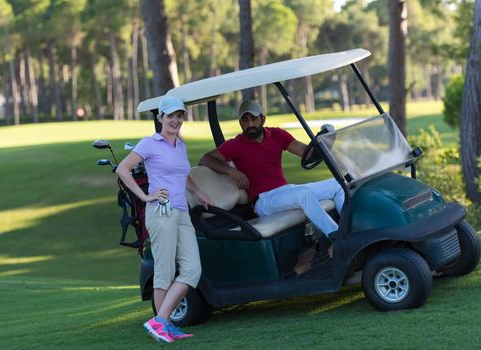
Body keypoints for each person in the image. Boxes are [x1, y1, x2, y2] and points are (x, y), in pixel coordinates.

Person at [116, 96, 213, 343]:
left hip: (181, 212)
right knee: (165, 271)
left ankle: (159, 321)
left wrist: (199, 192)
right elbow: (123, 170)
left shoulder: (179, 146)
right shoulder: (150, 144)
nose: (175, 120)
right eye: (170, 116)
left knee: (192, 269)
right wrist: (145, 196)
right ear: (160, 118)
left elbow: (184, 174)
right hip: (161, 212)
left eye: (179, 116)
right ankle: (164, 324)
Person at [199, 99, 344, 248]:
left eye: (254, 119)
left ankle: (350, 231)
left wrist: (326, 139)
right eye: (245, 120)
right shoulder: (236, 144)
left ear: (262, 118)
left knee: (338, 185)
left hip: (286, 191)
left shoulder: (277, 134)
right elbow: (205, 159)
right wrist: (230, 171)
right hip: (263, 201)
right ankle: (339, 240)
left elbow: (306, 154)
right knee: (303, 194)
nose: (249, 125)